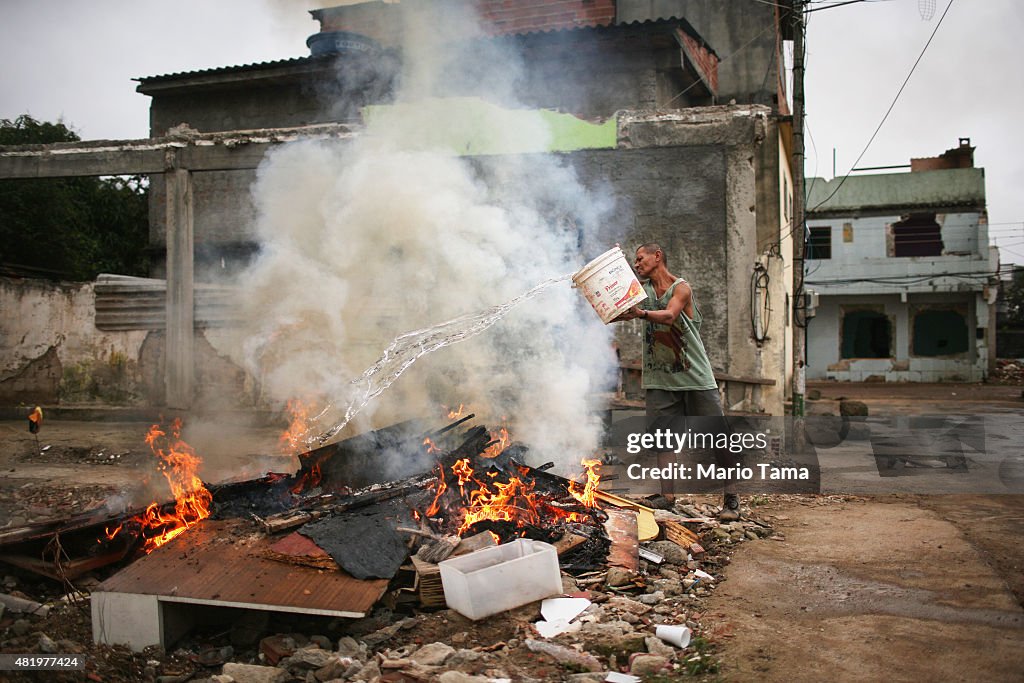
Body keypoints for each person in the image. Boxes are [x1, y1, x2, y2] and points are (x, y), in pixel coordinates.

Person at [615, 242, 741, 521]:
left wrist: (641, 314)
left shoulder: (681, 288)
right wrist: (612, 275)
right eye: (634, 261)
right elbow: (618, 307)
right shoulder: (642, 293)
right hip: (660, 379)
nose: (637, 264)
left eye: (640, 258)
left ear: (657, 256)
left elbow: (670, 316)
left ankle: (731, 499)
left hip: (695, 376)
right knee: (664, 442)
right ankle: (667, 497)